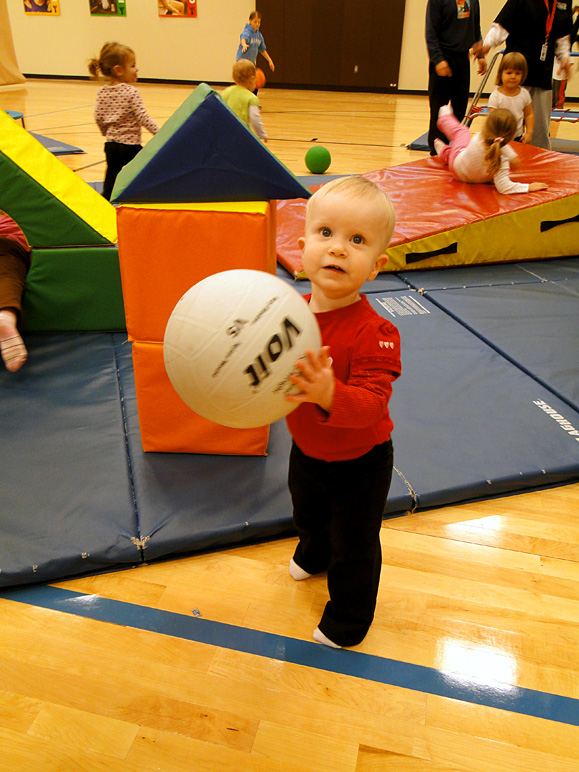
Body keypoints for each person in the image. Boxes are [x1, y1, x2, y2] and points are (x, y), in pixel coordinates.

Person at [283, 176, 401, 649]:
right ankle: (313, 555)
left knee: (354, 544)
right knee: (307, 512)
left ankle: (349, 620)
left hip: (361, 463)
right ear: (301, 247)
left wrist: (330, 392)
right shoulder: (286, 317)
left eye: (357, 240)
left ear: (376, 265)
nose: (337, 249)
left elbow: (373, 402)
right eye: (326, 234)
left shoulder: (376, 330)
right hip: (307, 449)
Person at [474, 0, 574, 150]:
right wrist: (488, 43)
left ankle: (538, 165)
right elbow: (502, 25)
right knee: (507, 128)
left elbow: (562, 37)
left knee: (539, 130)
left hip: (542, 73)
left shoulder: (564, 1)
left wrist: (565, 58)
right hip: (516, 71)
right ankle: (502, 160)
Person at [88, 42, 159, 201]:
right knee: (147, 167)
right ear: (118, 70)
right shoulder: (131, 92)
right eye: (133, 66)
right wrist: (159, 133)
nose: (137, 69)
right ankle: (147, 193)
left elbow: (98, 116)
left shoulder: (102, 92)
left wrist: (105, 132)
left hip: (111, 145)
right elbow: (143, 117)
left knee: (112, 173)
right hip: (130, 147)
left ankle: (107, 198)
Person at [434, 105, 548, 194]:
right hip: (478, 178)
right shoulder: (500, 157)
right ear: (511, 136)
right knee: (462, 146)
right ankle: (445, 151)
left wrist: (511, 156)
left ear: (486, 127)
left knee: (462, 132)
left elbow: (499, 145)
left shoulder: (479, 137)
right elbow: (504, 187)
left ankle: (445, 119)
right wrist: (528, 187)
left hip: (458, 169)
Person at [425, 0, 487, 155]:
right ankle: (436, 151)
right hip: (443, 58)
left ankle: (454, 149)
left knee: (459, 109)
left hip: (462, 60)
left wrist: (480, 55)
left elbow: (475, 26)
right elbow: (431, 31)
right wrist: (438, 59)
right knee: (439, 109)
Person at [0, 210, 31, 373]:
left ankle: (4, 316)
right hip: (10, 240)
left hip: (8, 241)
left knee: (6, 272)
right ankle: (5, 315)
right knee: (7, 274)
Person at [488, 51, 534, 142]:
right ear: (501, 73)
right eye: (509, 73)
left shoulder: (524, 94)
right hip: (499, 137)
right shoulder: (495, 96)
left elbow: (529, 114)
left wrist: (529, 132)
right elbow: (492, 119)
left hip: (518, 137)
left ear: (523, 74)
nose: (513, 76)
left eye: (517, 73)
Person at [222, 60, 267, 141]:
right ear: (251, 79)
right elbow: (255, 119)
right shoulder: (251, 98)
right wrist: (262, 134)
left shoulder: (226, 92)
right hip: (241, 134)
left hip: (225, 132)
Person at [552, 5, 579, 108]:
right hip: (556, 70)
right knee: (554, 95)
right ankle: (555, 107)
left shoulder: (568, 44)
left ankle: (558, 107)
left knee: (558, 96)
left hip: (561, 72)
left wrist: (562, 68)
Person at [236, 11, 275, 79]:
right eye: (255, 22)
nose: (257, 24)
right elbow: (243, 38)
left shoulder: (259, 35)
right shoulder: (247, 32)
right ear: (250, 20)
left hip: (251, 63)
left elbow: (262, 49)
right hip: (242, 63)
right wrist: (244, 44)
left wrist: (269, 60)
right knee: (244, 83)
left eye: (259, 22)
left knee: (253, 85)